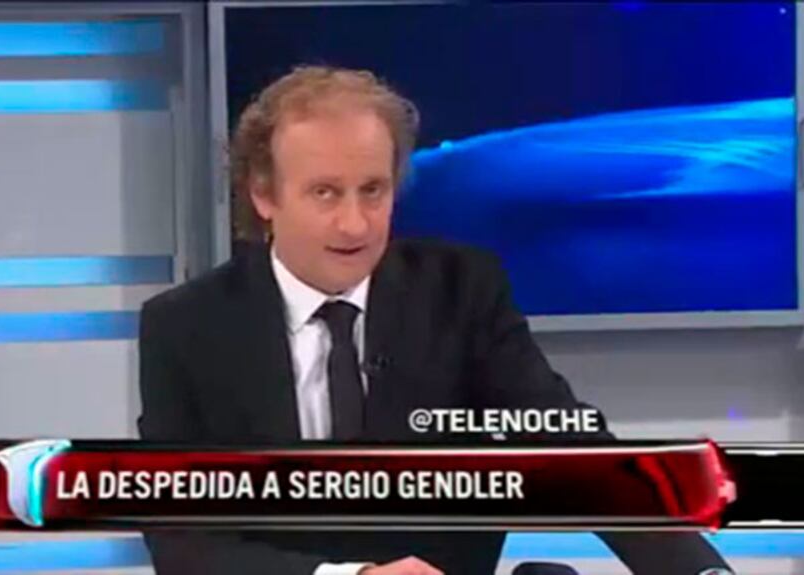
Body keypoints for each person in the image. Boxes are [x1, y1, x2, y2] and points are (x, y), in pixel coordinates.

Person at [137, 66, 733, 575]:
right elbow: (181, 540)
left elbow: (571, 448)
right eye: (325, 193)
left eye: (373, 190)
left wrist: (699, 571)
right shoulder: (186, 327)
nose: (355, 224)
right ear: (264, 195)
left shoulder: (461, 292)